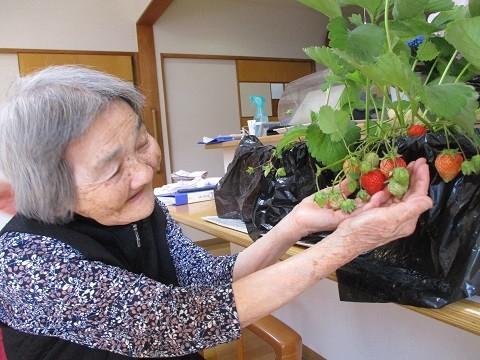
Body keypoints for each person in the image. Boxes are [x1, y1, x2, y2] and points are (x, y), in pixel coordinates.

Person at [0, 66, 433, 360]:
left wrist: (296, 222)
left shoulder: (137, 209)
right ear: (53, 187)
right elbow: (176, 321)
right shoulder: (27, 263)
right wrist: (346, 243)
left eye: (141, 140)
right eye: (114, 168)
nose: (145, 168)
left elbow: (207, 282)